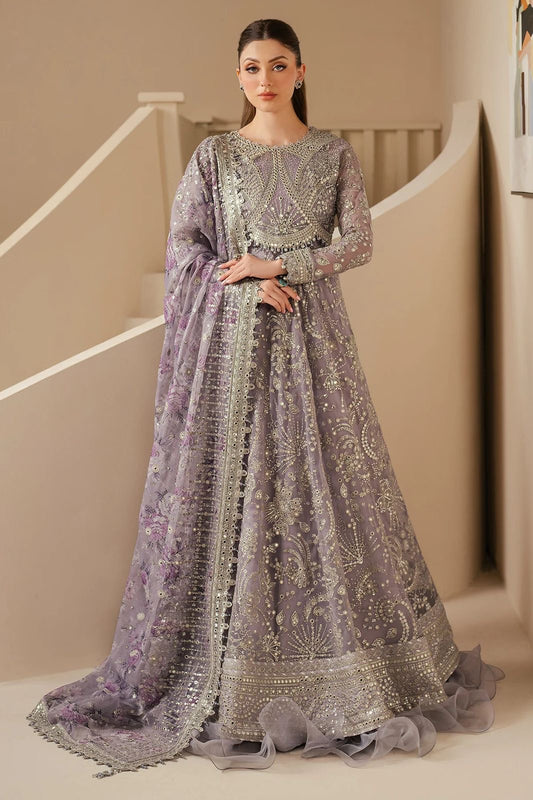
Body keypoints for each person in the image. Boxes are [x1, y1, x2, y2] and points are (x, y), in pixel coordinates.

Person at [26, 18, 505, 778]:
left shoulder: (333, 154)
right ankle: (228, 673)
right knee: (241, 491)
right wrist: (247, 287)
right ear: (238, 76)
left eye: (279, 66)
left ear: (300, 72)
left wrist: (277, 263)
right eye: (252, 67)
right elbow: (184, 248)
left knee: (327, 488)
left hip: (316, 345)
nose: (265, 80)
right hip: (234, 351)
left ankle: (344, 672)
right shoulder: (215, 157)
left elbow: (357, 243)